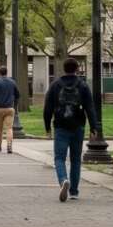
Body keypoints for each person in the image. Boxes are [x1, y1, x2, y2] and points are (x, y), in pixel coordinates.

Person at [43, 58, 99, 202]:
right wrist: (94, 127)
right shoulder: (83, 85)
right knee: (75, 160)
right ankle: (74, 191)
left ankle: (63, 180)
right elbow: (90, 108)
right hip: (78, 126)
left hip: (61, 126)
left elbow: (47, 108)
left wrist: (47, 126)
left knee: (59, 158)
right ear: (77, 69)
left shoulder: (55, 85)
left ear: (64, 68)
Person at [0, 65, 19, 153]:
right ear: (7, 72)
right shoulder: (12, 82)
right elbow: (17, 95)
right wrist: (14, 103)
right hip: (9, 108)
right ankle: (9, 146)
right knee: (9, 128)